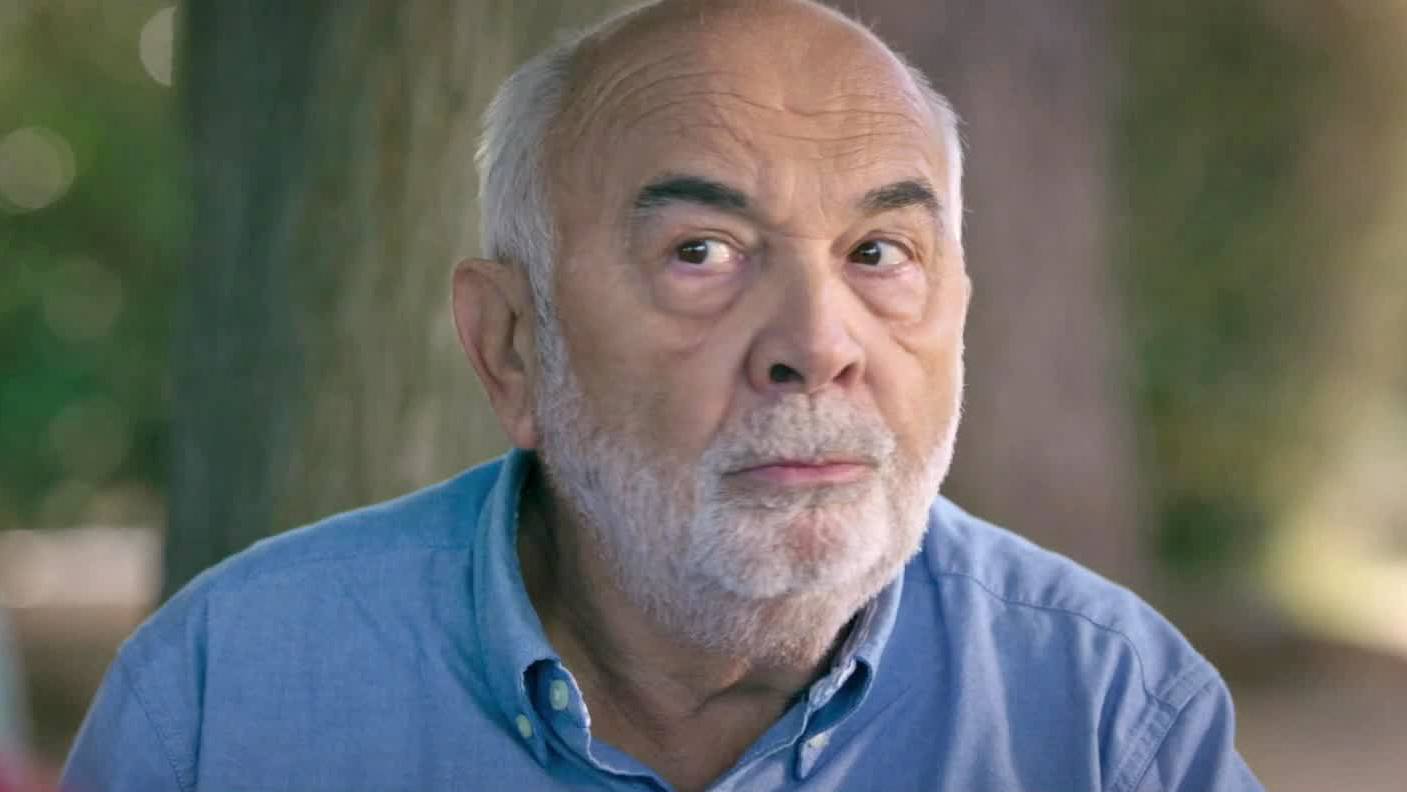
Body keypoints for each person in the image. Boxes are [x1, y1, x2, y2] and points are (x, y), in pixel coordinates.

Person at [63, 1, 1264, 790]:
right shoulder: (225, 701)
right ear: (512, 345)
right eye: (702, 253)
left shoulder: (1112, 720)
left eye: (879, 253)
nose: (816, 345)